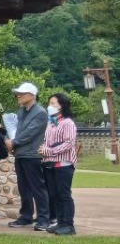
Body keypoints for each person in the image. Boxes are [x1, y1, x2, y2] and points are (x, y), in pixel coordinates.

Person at [7, 82, 52, 231]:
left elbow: (29, 133)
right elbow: (18, 130)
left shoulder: (40, 112)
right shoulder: (22, 110)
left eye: (22, 94)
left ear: (32, 95)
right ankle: (25, 216)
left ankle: (43, 219)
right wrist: (13, 143)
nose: (18, 96)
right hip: (21, 153)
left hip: (32, 155)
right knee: (23, 188)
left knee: (37, 187)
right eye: (17, 94)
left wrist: (14, 143)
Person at [41, 93, 78, 235]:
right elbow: (46, 141)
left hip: (64, 164)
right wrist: (44, 149)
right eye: (49, 103)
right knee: (54, 194)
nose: (50, 106)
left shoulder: (68, 123)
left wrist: (49, 151)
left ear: (62, 106)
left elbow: (68, 143)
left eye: (53, 103)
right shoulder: (51, 122)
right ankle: (60, 222)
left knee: (64, 194)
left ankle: (68, 224)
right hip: (50, 163)